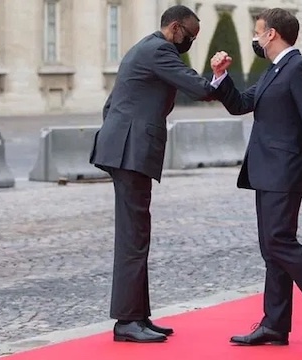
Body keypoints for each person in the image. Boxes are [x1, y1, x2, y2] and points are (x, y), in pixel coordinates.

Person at [209, 8, 302, 352]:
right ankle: (274, 324)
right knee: (271, 249)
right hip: (266, 170)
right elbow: (242, 104)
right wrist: (220, 78)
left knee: (280, 242)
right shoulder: (275, 71)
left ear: (271, 34)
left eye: (258, 32)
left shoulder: (299, 68)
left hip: (286, 171)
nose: (256, 38)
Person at [89, 5, 228, 343]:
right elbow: (199, 88)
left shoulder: (145, 47)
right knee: (133, 237)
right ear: (176, 28)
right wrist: (217, 74)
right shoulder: (160, 50)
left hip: (126, 147)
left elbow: (112, 105)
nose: (191, 43)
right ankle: (127, 321)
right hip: (130, 150)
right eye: (191, 36)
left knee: (138, 233)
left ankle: (138, 315)